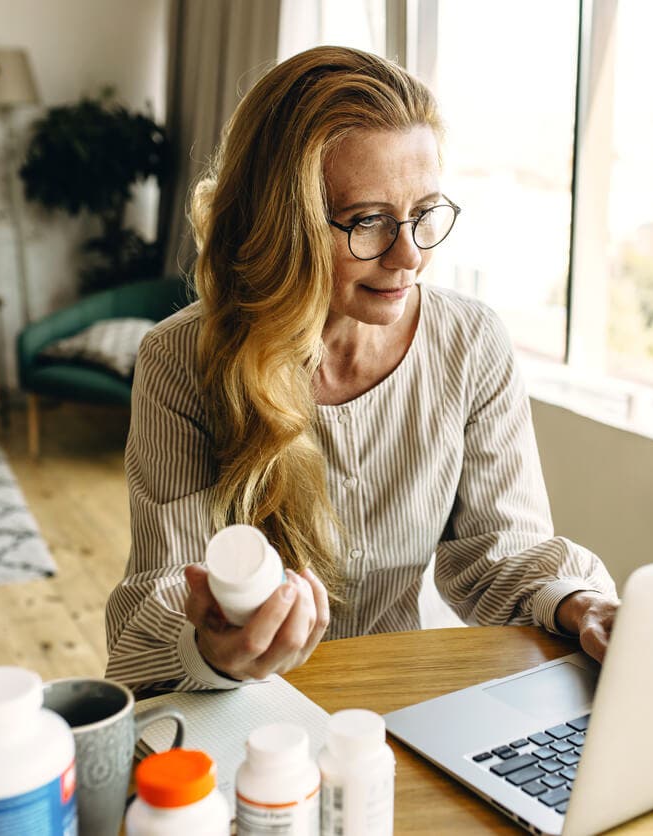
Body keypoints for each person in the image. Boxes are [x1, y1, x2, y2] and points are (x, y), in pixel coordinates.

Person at [105, 45, 618, 695]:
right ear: (282, 223)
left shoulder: (472, 341)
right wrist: (214, 645)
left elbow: (502, 554)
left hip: (415, 688)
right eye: (368, 221)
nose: (409, 256)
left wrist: (579, 602)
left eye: (425, 213)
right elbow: (159, 595)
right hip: (256, 701)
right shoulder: (182, 361)